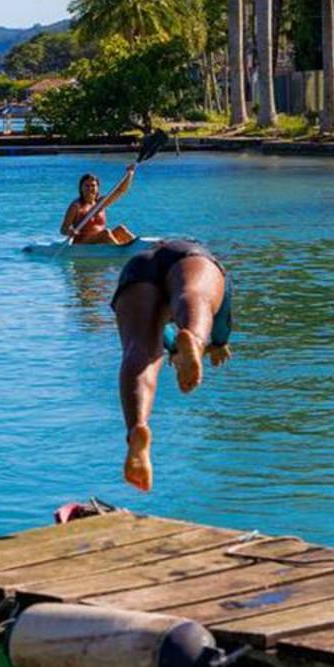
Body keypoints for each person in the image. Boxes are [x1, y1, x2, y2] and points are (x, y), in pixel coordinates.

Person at [111, 238, 233, 491]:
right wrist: (219, 343)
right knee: (195, 298)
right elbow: (221, 321)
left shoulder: (148, 255)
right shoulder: (204, 259)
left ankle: (137, 428)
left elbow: (164, 336)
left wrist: (175, 349)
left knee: (140, 351)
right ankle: (196, 340)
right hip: (192, 258)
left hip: (136, 268)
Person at [60, 166, 138, 245]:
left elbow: (120, 191)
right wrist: (70, 231)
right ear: (81, 188)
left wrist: (130, 174)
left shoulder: (101, 203)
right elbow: (63, 229)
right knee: (106, 233)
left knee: (121, 229)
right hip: (83, 244)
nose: (90, 188)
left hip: (101, 241)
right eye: (87, 185)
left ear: (97, 188)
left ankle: (139, 246)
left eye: (93, 185)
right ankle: (120, 251)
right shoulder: (76, 206)